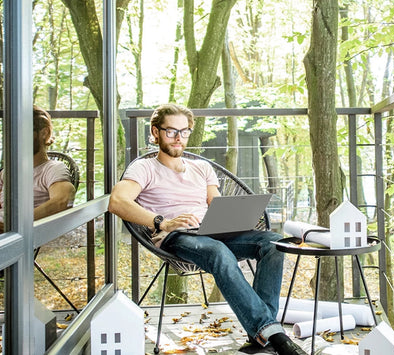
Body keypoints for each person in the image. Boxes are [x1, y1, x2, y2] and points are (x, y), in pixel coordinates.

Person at [108, 103, 306, 355]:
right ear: (155, 132)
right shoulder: (144, 168)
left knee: (275, 243)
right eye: (171, 131)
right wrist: (162, 222)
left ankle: (263, 337)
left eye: (185, 131)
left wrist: (238, 218)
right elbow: (117, 202)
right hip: (176, 235)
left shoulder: (202, 168)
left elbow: (215, 204)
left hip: (212, 230)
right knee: (218, 252)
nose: (179, 138)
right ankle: (274, 335)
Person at [0, 105, 76, 233]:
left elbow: (62, 201)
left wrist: (14, 226)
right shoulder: (8, 172)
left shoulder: (53, 169)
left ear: (44, 133)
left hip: (14, 237)